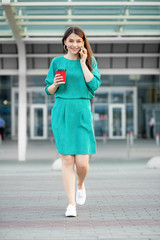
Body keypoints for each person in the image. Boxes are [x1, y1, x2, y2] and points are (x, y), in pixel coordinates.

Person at [45, 26, 101, 217]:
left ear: (83, 43)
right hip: (62, 110)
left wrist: (84, 63)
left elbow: (94, 85)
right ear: (64, 43)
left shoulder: (90, 61)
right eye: (71, 41)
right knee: (67, 159)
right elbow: (48, 89)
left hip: (82, 111)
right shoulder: (57, 62)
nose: (75, 44)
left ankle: (81, 183)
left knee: (83, 163)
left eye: (79, 41)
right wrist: (55, 84)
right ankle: (71, 204)